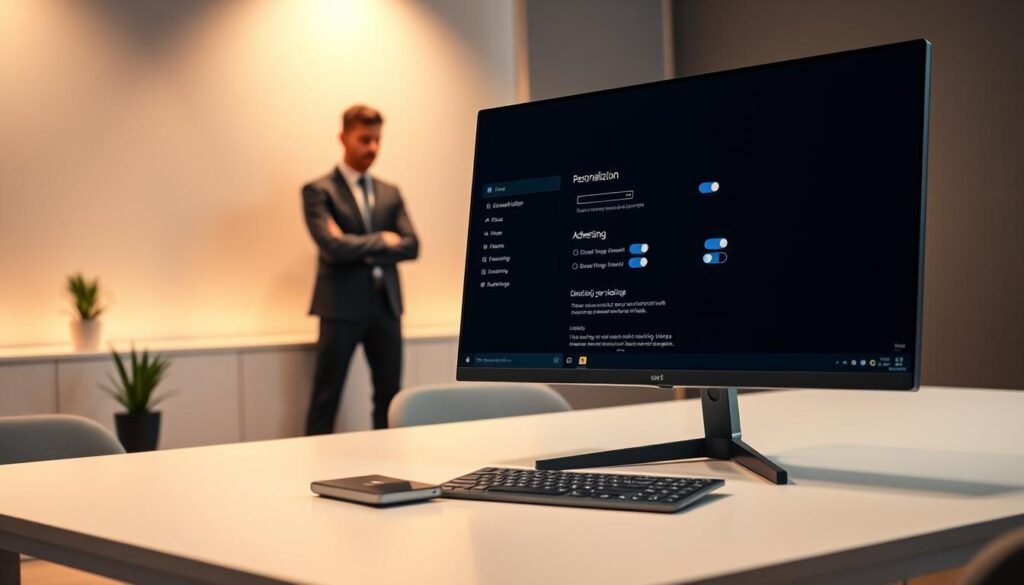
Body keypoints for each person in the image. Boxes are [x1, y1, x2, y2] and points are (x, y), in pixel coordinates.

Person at [301, 105, 419, 433]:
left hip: (386, 307)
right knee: (326, 399)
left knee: (389, 399)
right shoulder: (318, 191)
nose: (372, 148)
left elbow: (412, 245)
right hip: (340, 308)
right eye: (364, 139)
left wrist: (356, 246)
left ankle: (389, 466)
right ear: (343, 137)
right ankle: (307, 469)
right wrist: (383, 240)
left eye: (378, 139)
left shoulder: (390, 192)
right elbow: (332, 248)